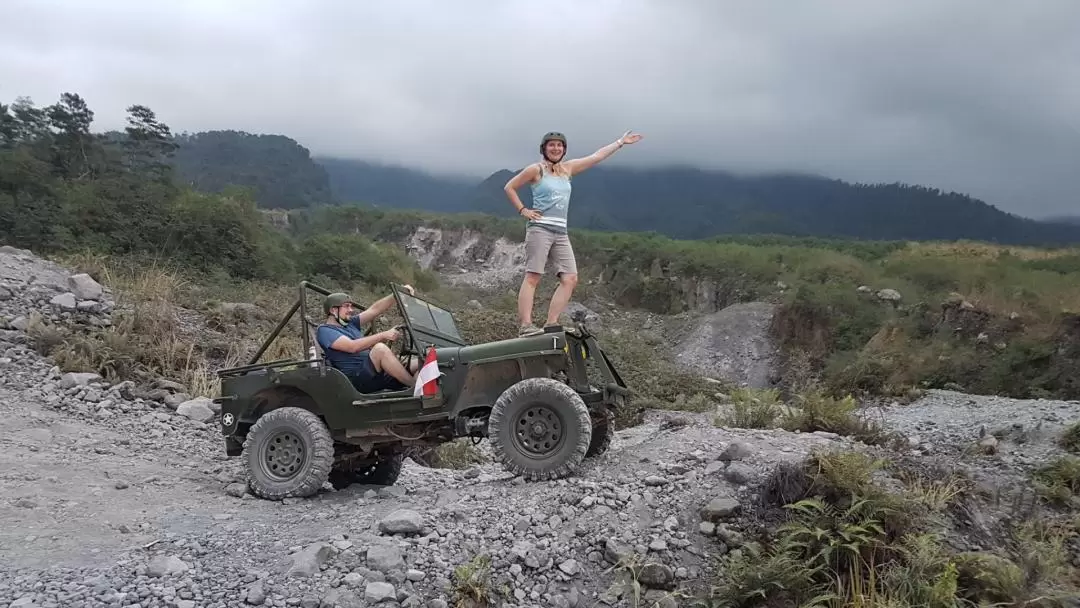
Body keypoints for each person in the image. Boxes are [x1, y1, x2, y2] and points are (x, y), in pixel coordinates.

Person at [503, 130, 642, 336]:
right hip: (540, 228)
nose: (556, 148)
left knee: (570, 278)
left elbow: (596, 156)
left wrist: (620, 142)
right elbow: (510, 187)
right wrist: (524, 210)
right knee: (533, 276)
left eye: (560, 145)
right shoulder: (536, 170)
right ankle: (526, 325)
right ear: (544, 148)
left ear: (564, 150)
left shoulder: (567, 169)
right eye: (552, 145)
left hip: (561, 231)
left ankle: (551, 323)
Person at [316, 287, 418, 393]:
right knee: (380, 349)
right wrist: (383, 335)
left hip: (374, 373)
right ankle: (415, 388)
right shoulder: (325, 330)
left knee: (420, 362)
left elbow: (375, 310)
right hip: (357, 379)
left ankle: (420, 391)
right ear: (333, 310)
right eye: (346, 306)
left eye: (351, 306)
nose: (351, 310)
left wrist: (396, 295)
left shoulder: (350, 323)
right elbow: (352, 347)